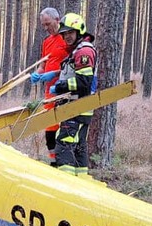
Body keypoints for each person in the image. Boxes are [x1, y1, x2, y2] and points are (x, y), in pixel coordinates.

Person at [50, 13, 96, 177]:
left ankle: (66, 182)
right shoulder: (78, 50)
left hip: (76, 108)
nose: (67, 36)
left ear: (79, 31)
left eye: (70, 32)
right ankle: (81, 180)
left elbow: (83, 82)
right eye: (64, 34)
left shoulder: (83, 51)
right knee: (79, 147)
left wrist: (60, 86)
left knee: (64, 144)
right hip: (79, 108)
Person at [29, 8, 70, 164]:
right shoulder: (46, 42)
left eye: (48, 24)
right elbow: (44, 64)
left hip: (66, 89)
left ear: (57, 19)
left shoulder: (67, 38)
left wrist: (55, 74)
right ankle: (53, 161)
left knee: (66, 126)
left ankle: (65, 160)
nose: (46, 28)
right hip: (49, 91)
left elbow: (73, 66)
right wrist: (37, 74)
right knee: (50, 126)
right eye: (43, 25)